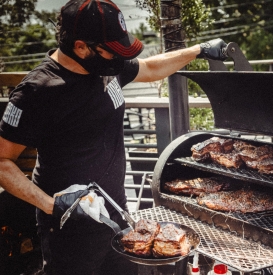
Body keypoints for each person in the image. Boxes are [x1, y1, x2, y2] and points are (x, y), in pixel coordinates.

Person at [0, 0, 227, 274]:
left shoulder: (106, 66)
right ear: (81, 46)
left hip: (118, 216)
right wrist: (52, 205)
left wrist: (199, 50)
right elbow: (3, 161)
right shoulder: (37, 91)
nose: (119, 60)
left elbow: (152, 68)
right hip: (68, 227)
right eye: (111, 52)